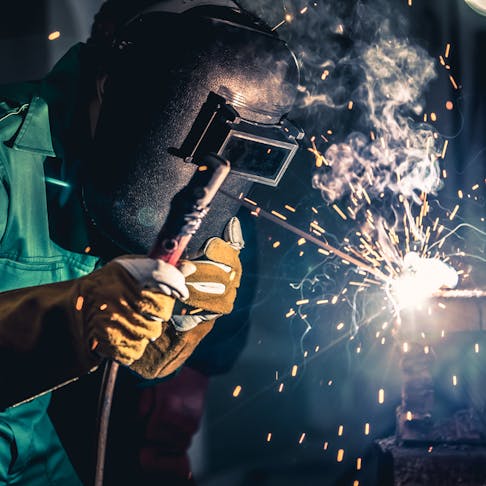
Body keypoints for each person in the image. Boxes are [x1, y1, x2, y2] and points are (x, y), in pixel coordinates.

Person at [0, 0, 301, 484]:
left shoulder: (113, 170)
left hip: (32, 454)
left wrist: (179, 317)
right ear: (114, 86)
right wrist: (74, 315)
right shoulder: (5, 154)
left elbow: (139, 360)